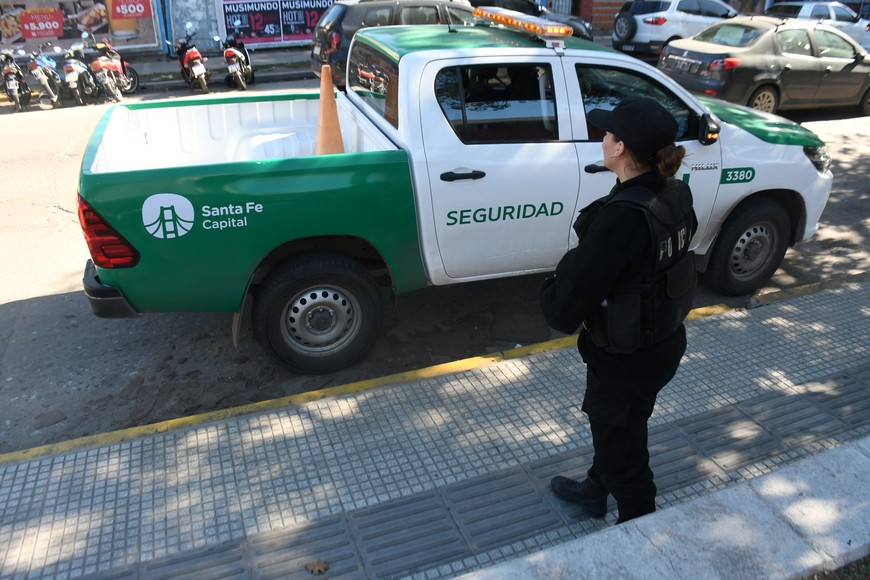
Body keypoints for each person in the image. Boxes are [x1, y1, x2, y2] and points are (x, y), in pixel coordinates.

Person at [539, 96, 698, 524]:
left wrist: (553, 286)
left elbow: (562, 310)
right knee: (622, 430)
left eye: (608, 133)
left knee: (623, 450)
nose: (603, 137)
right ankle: (596, 489)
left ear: (620, 148)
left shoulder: (622, 220)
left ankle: (638, 525)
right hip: (661, 343)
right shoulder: (675, 193)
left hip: (625, 362)